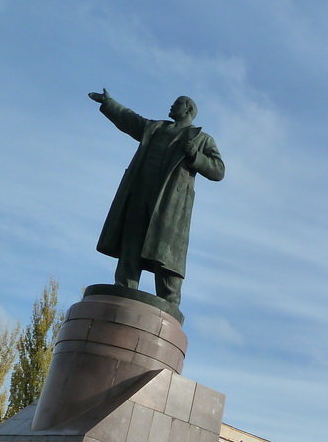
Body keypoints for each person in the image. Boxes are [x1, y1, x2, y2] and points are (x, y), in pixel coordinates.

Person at [88, 88, 225, 322]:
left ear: (188, 110)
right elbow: (130, 120)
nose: (171, 107)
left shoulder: (201, 138)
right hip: (139, 195)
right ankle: (124, 293)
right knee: (130, 246)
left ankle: (169, 308)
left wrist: (196, 156)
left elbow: (218, 170)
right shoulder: (155, 128)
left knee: (167, 256)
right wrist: (109, 103)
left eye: (177, 104)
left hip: (170, 206)